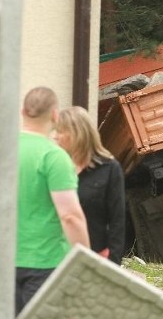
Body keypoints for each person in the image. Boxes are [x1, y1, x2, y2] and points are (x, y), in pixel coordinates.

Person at [15, 87, 90, 316]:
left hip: (3, 259)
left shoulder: (2, 149)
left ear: (22, 112)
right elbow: (70, 216)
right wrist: (85, 259)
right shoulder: (53, 156)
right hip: (44, 264)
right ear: (55, 116)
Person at [54, 106, 126, 265]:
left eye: (60, 131)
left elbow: (117, 220)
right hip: (55, 258)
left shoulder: (109, 169)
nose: (56, 137)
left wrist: (113, 263)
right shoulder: (56, 167)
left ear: (76, 133)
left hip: (96, 256)